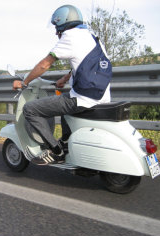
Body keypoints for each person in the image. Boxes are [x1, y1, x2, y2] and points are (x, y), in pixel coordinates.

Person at [13, 5, 112, 165]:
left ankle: (56, 151)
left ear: (63, 23)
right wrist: (65, 79)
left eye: (56, 26)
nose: (56, 31)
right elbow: (85, 64)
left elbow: (44, 64)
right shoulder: (92, 37)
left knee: (30, 109)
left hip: (82, 99)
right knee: (63, 105)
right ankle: (65, 143)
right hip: (102, 96)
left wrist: (24, 82)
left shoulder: (70, 37)